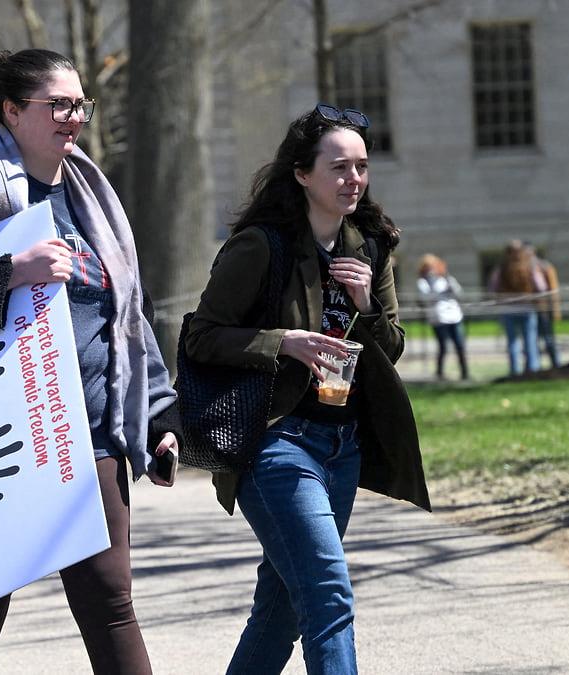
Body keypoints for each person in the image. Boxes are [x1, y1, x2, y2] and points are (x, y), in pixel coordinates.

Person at [0, 48, 179, 674]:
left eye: (80, 104)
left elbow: (130, 311)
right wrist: (11, 270)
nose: (74, 117)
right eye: (58, 105)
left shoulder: (94, 196)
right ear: (13, 110)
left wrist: (158, 417)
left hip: (92, 434)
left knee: (111, 601)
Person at [184, 105, 430, 674]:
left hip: (341, 447)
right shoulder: (261, 246)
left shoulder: (370, 245)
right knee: (327, 595)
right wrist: (282, 342)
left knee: (279, 612)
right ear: (302, 174)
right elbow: (201, 336)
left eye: (361, 167)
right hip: (275, 442)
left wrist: (367, 305)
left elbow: (391, 349)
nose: (353, 179)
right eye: (338, 167)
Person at [487, 240, 545, 376]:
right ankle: (532, 369)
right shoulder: (530, 267)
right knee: (530, 340)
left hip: (508, 309)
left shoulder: (501, 269)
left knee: (512, 341)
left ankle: (514, 370)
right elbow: (541, 287)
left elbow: (492, 288)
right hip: (527, 308)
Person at [416, 254, 468, 380]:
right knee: (443, 346)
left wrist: (449, 282)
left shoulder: (446, 279)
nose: (432, 269)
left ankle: (464, 373)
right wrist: (439, 292)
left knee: (460, 345)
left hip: (454, 316)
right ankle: (440, 372)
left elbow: (458, 293)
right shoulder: (423, 282)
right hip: (438, 318)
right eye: (428, 267)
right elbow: (425, 297)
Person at [529, 246, 562, 369]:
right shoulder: (523, 267)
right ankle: (535, 366)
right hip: (530, 309)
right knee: (533, 340)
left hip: (544, 309)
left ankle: (555, 363)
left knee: (548, 338)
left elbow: (552, 289)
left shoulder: (544, 267)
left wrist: (555, 309)